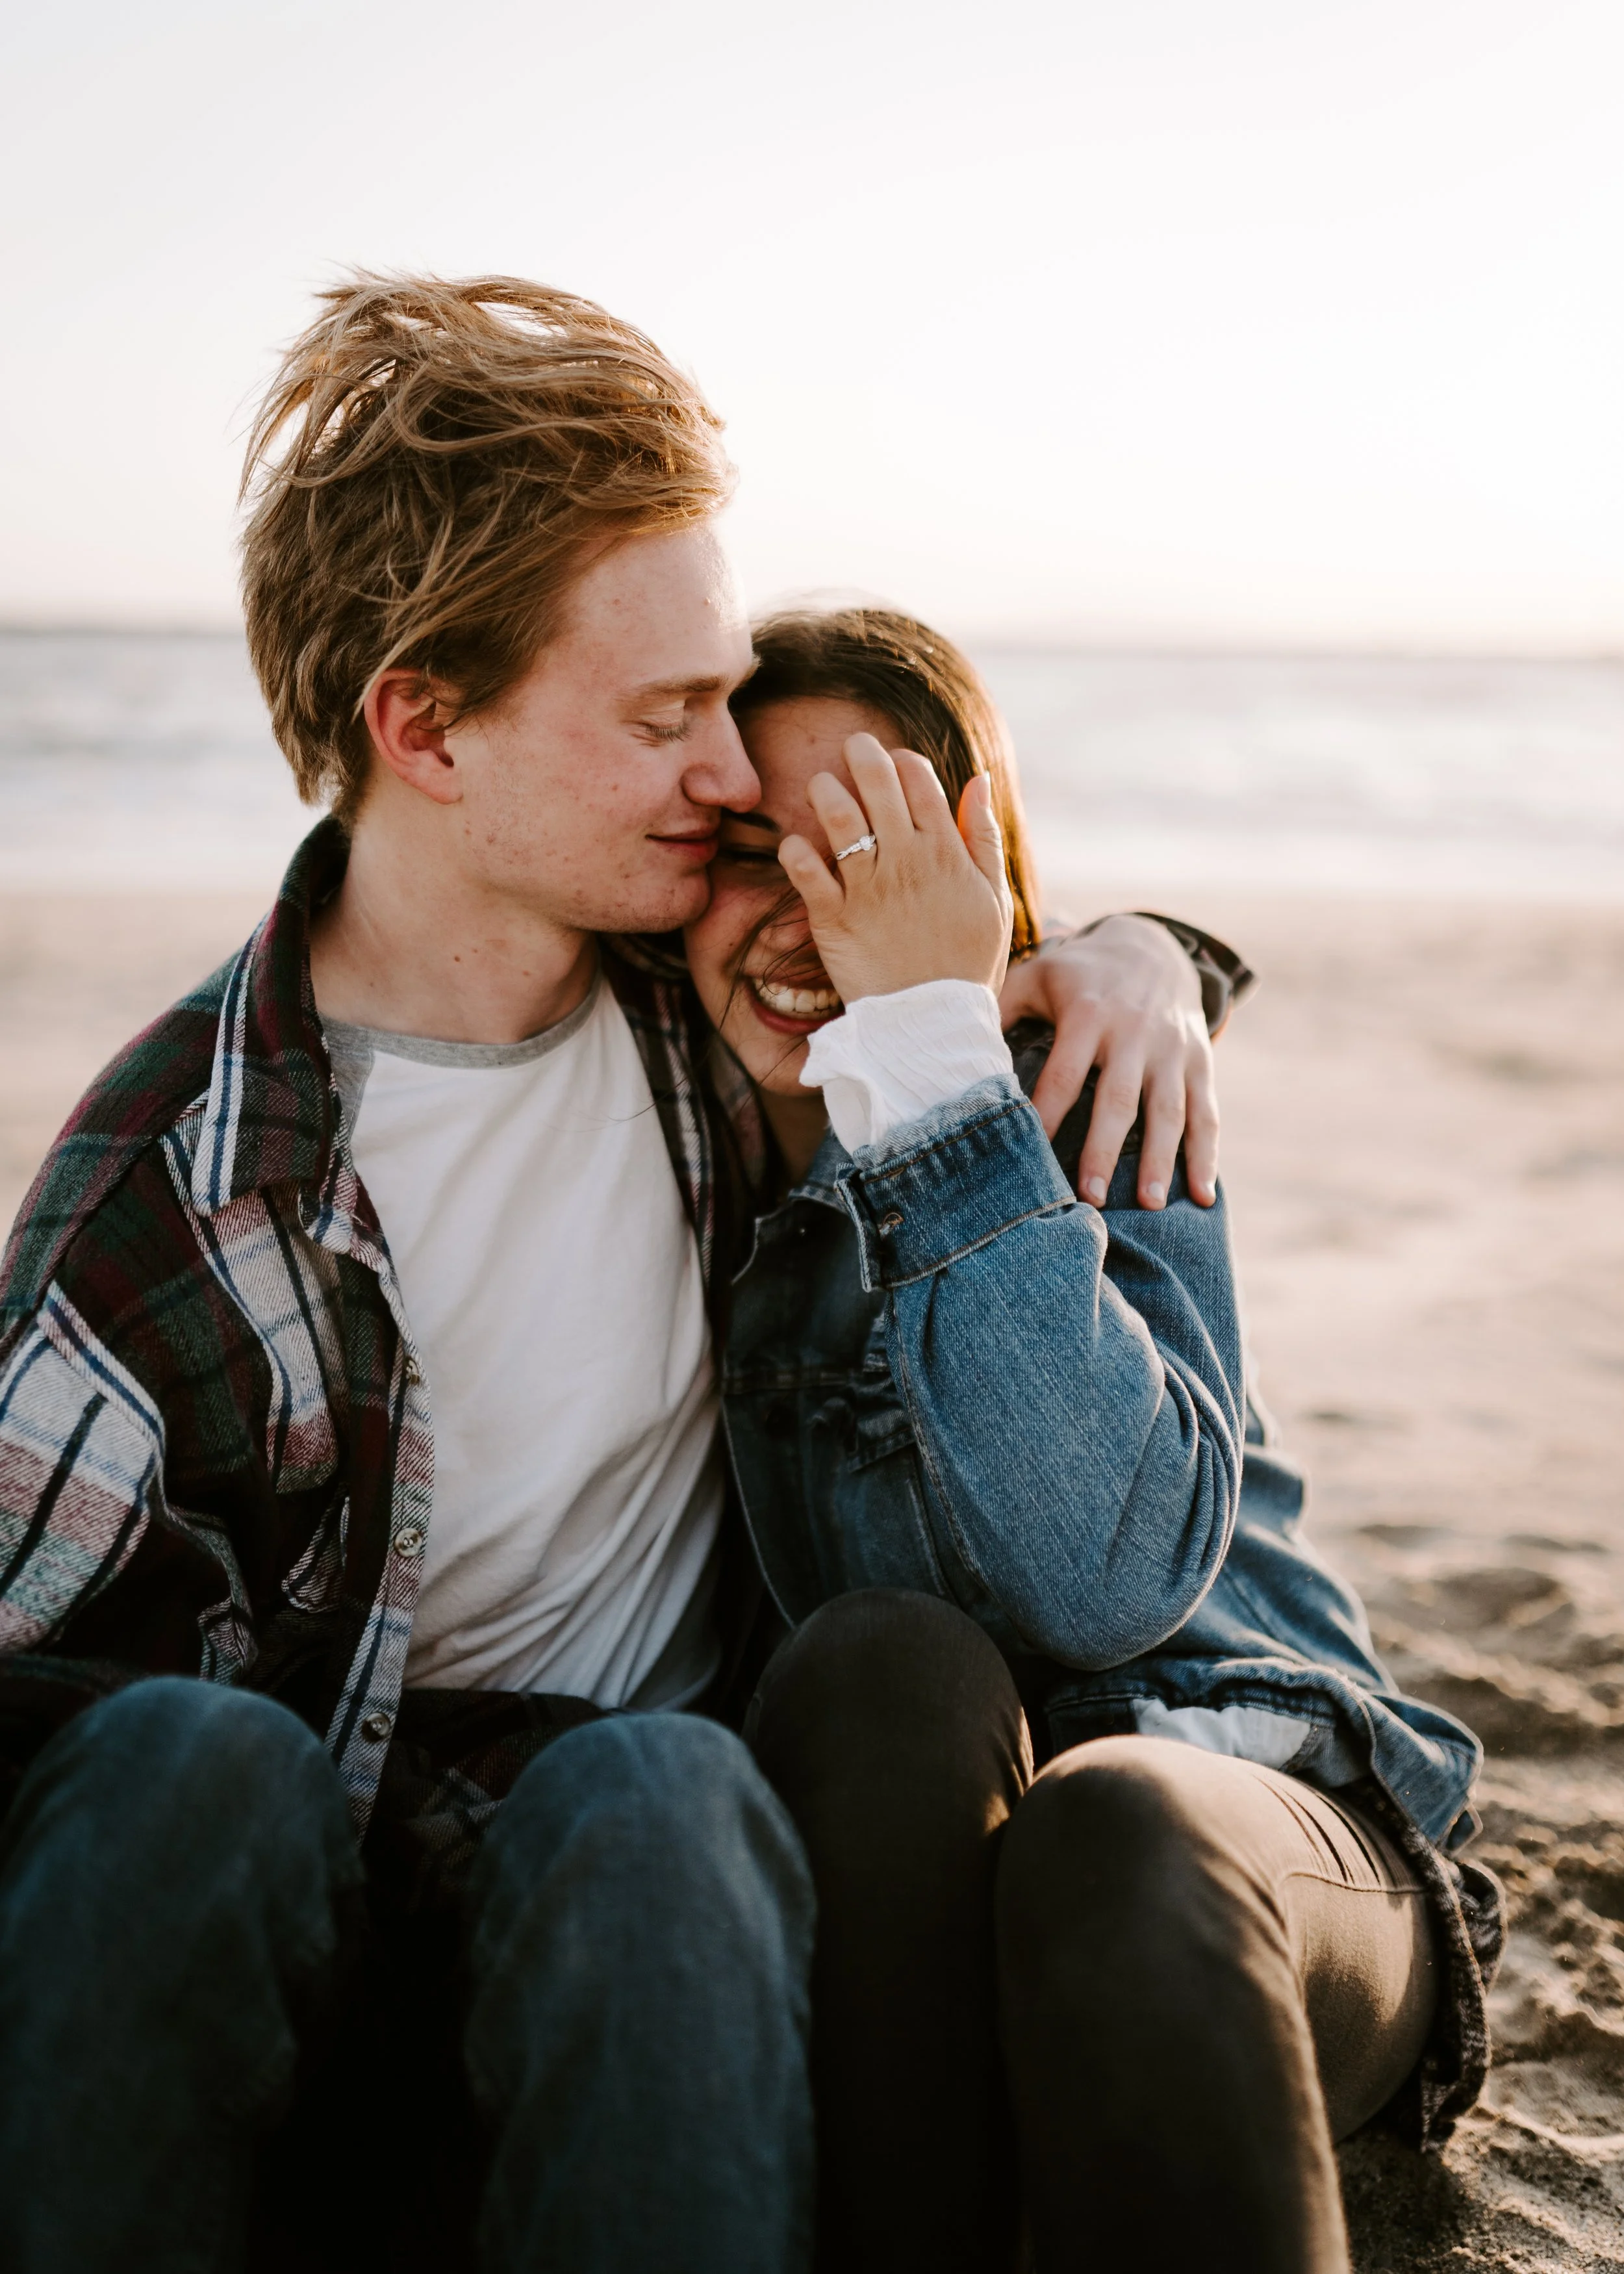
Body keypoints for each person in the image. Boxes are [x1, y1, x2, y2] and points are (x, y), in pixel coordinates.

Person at [0, 275, 1236, 2274]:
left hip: (634, 1934)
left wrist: (1143, 951)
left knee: (654, 1780)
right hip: (275, 1943)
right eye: (665, 720)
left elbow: (957, 977)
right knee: (167, 1759)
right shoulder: (172, 1188)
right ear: (423, 722)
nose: (734, 780)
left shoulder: (715, 1034)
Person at [669, 605, 1503, 2274]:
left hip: (1243, 1847)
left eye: (864, 852)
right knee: (873, 1663)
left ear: (968, 866)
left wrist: (936, 1059)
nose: (798, 913)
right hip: (930, 1882)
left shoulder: (1077, 1083)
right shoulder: (654, 1138)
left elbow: (1103, 1578)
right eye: (748, 849)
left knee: (1106, 1820)